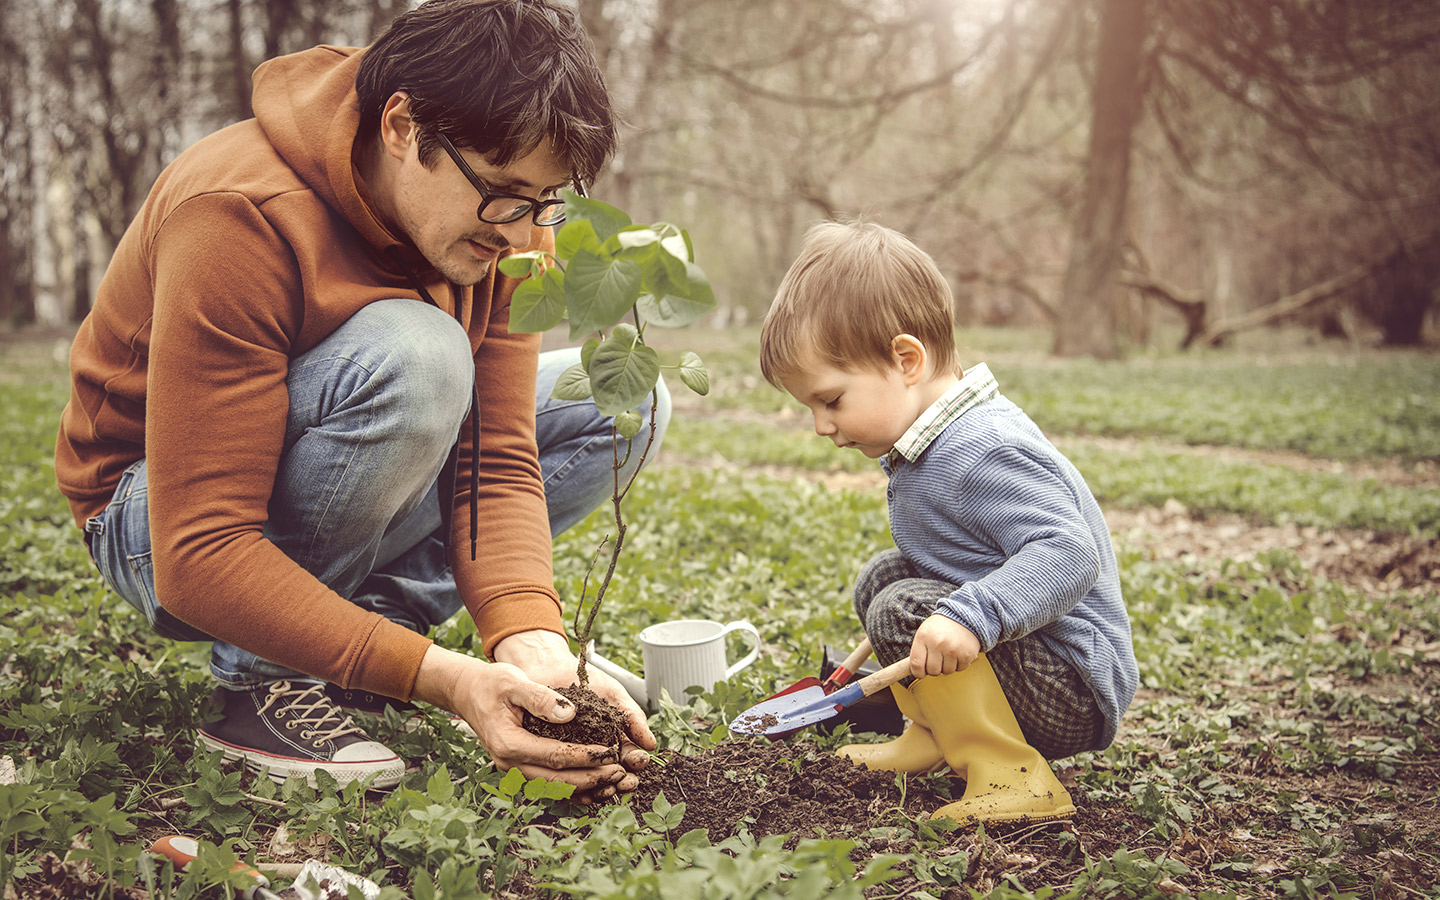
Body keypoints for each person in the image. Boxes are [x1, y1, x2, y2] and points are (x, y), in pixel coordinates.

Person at [54, 0, 665, 802]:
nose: (524, 235)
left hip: (319, 473)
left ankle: (372, 641)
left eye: (546, 199)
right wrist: (448, 683)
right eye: (506, 195)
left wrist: (531, 639)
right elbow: (198, 549)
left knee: (620, 402)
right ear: (403, 127)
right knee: (419, 358)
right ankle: (264, 681)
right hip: (154, 521)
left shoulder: (513, 228)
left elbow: (498, 458)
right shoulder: (237, 214)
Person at [758, 220, 1138, 825]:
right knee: (884, 579)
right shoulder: (932, 441)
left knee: (904, 607)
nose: (820, 426)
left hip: (1071, 685)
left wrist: (972, 617)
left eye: (831, 400)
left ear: (906, 359)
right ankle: (934, 734)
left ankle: (1011, 772)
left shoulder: (981, 448)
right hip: (1029, 659)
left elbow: (1070, 552)